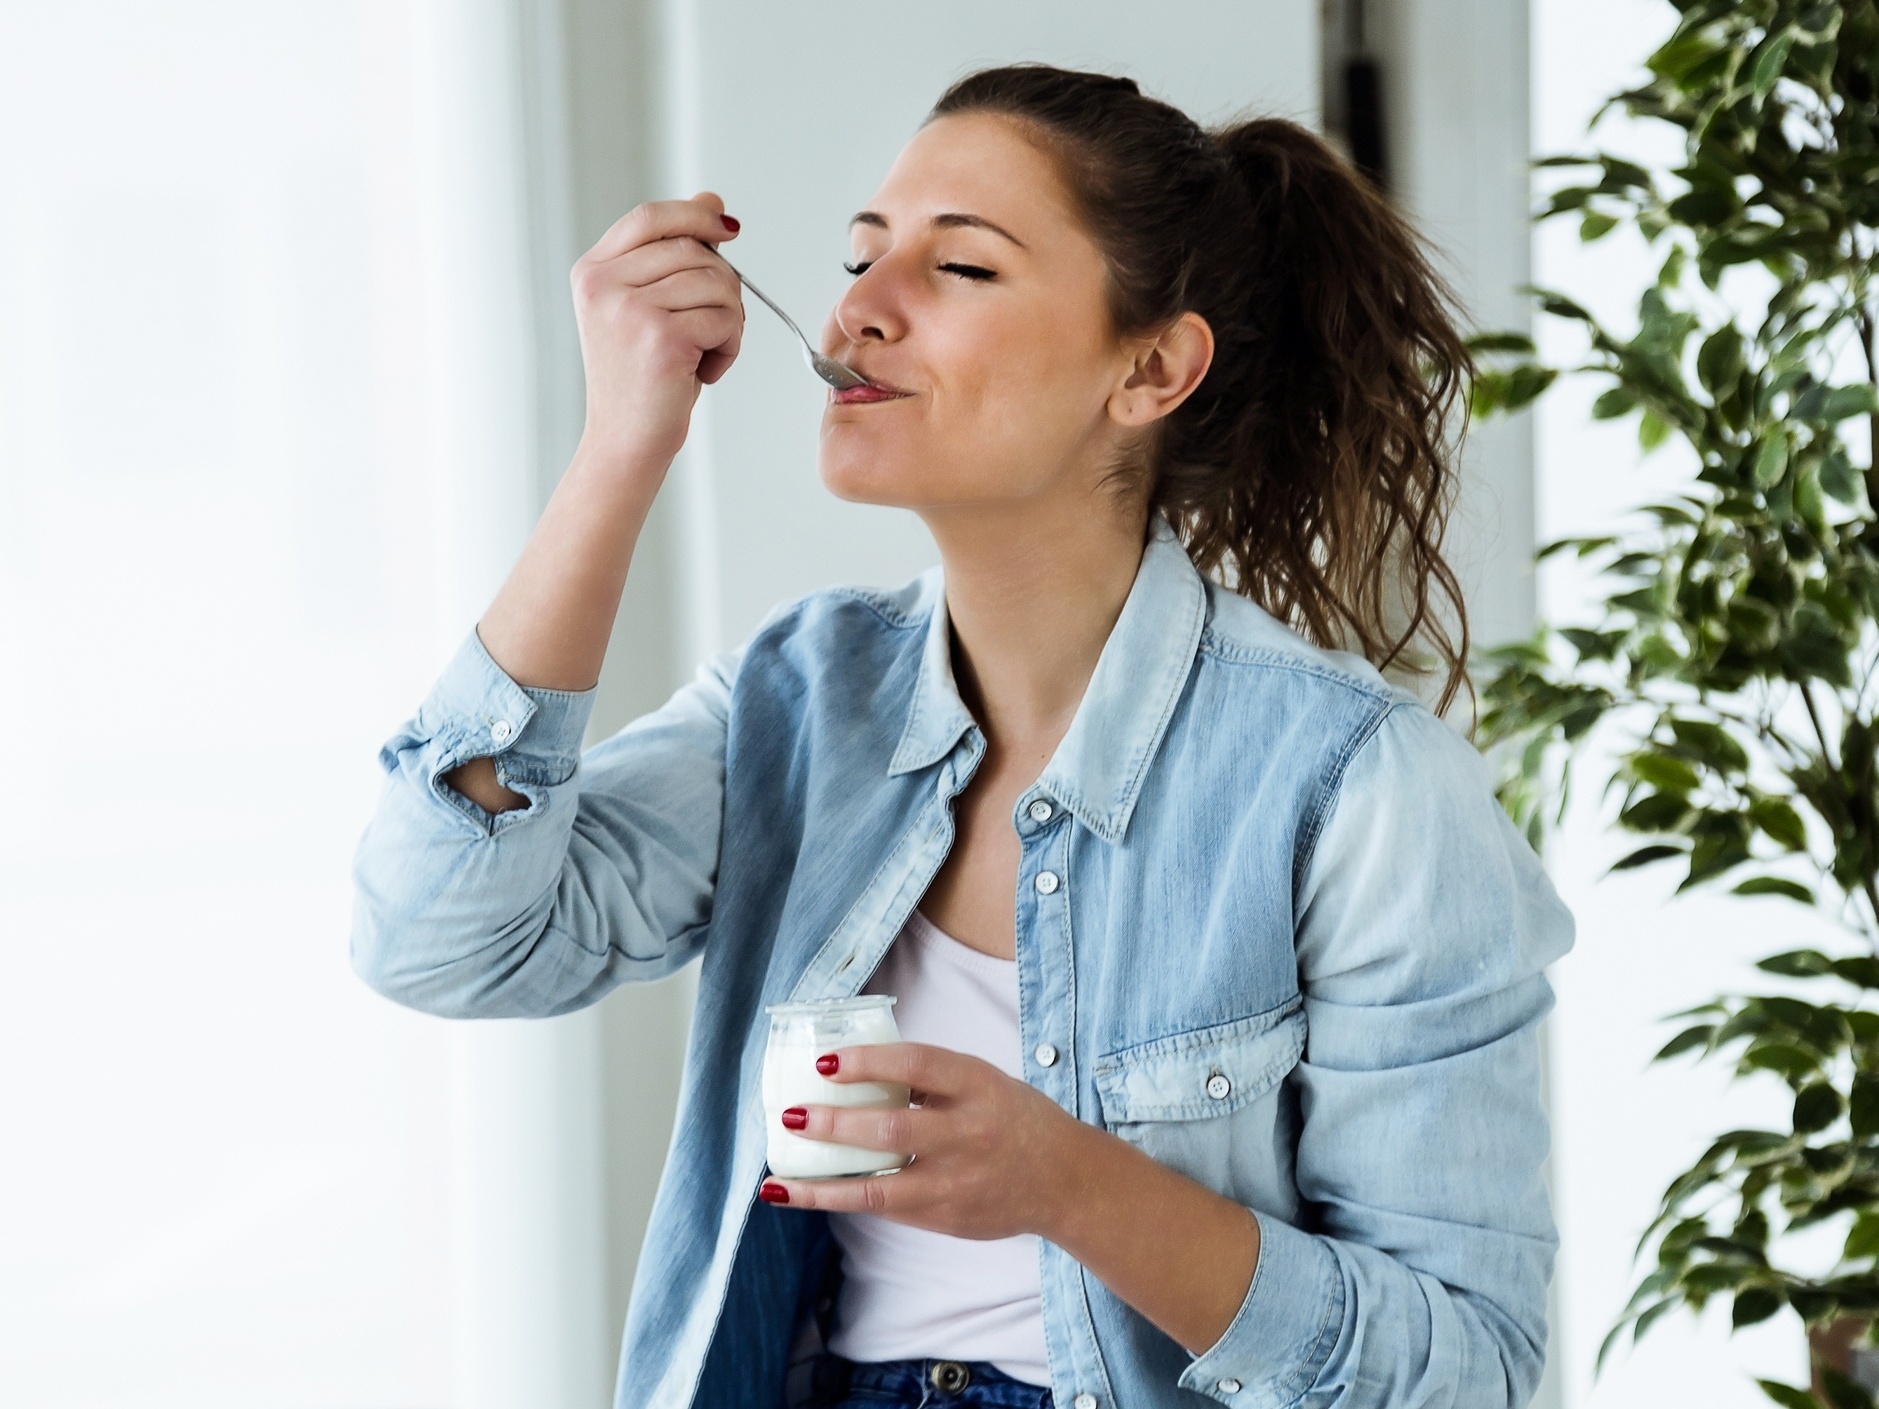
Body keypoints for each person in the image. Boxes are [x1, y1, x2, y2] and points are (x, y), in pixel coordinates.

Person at [352, 64, 1573, 1409]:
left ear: (1151, 366)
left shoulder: (1359, 787)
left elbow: (1467, 1372)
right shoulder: (798, 700)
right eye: (862, 258)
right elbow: (442, 938)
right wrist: (619, 448)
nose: (859, 309)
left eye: (962, 269)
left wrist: (1067, 1182)